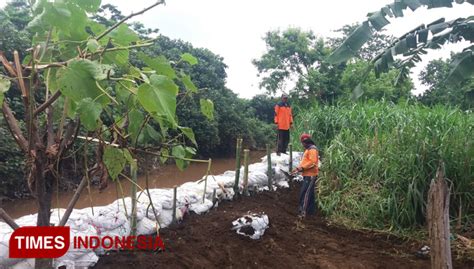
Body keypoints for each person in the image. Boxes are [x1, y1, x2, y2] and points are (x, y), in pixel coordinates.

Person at [292, 133, 319, 218]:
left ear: (305, 142)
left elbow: (312, 163)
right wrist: (297, 169)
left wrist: (301, 168)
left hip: (310, 175)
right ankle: (311, 212)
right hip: (307, 174)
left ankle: (302, 212)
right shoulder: (308, 149)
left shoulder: (312, 150)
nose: (302, 145)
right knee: (310, 194)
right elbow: (306, 162)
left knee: (305, 193)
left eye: (302, 143)